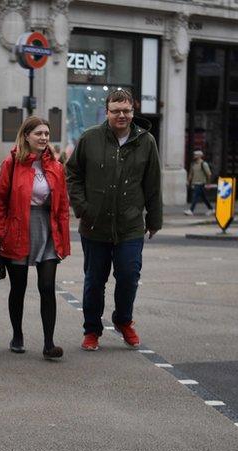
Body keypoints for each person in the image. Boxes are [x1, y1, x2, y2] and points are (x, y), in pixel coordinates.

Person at [66, 88, 162, 352]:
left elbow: (153, 183)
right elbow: (72, 174)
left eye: (127, 111)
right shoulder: (90, 138)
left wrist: (154, 219)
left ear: (133, 112)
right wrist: (82, 207)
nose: (122, 115)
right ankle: (91, 330)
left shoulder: (146, 141)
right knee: (94, 280)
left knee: (129, 275)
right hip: (94, 225)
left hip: (130, 224)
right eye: (116, 111)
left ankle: (123, 320)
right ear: (106, 112)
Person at [0, 116, 71, 359]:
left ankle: (49, 344)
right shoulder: (12, 163)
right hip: (18, 230)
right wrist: (2, 231)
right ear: (26, 135)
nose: (44, 138)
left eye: (47, 133)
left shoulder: (56, 167)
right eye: (39, 133)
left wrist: (63, 238)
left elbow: (63, 206)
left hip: (47, 230)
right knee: (19, 287)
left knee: (47, 287)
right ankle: (17, 334)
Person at [185, 150, 214, 215]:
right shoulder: (193, 164)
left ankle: (191, 210)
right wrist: (188, 181)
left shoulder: (203, 164)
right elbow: (191, 174)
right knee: (203, 197)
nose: (194, 156)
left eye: (196, 155)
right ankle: (211, 209)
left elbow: (209, 174)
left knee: (195, 196)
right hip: (195, 183)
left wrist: (208, 184)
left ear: (200, 156)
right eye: (194, 155)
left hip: (201, 183)